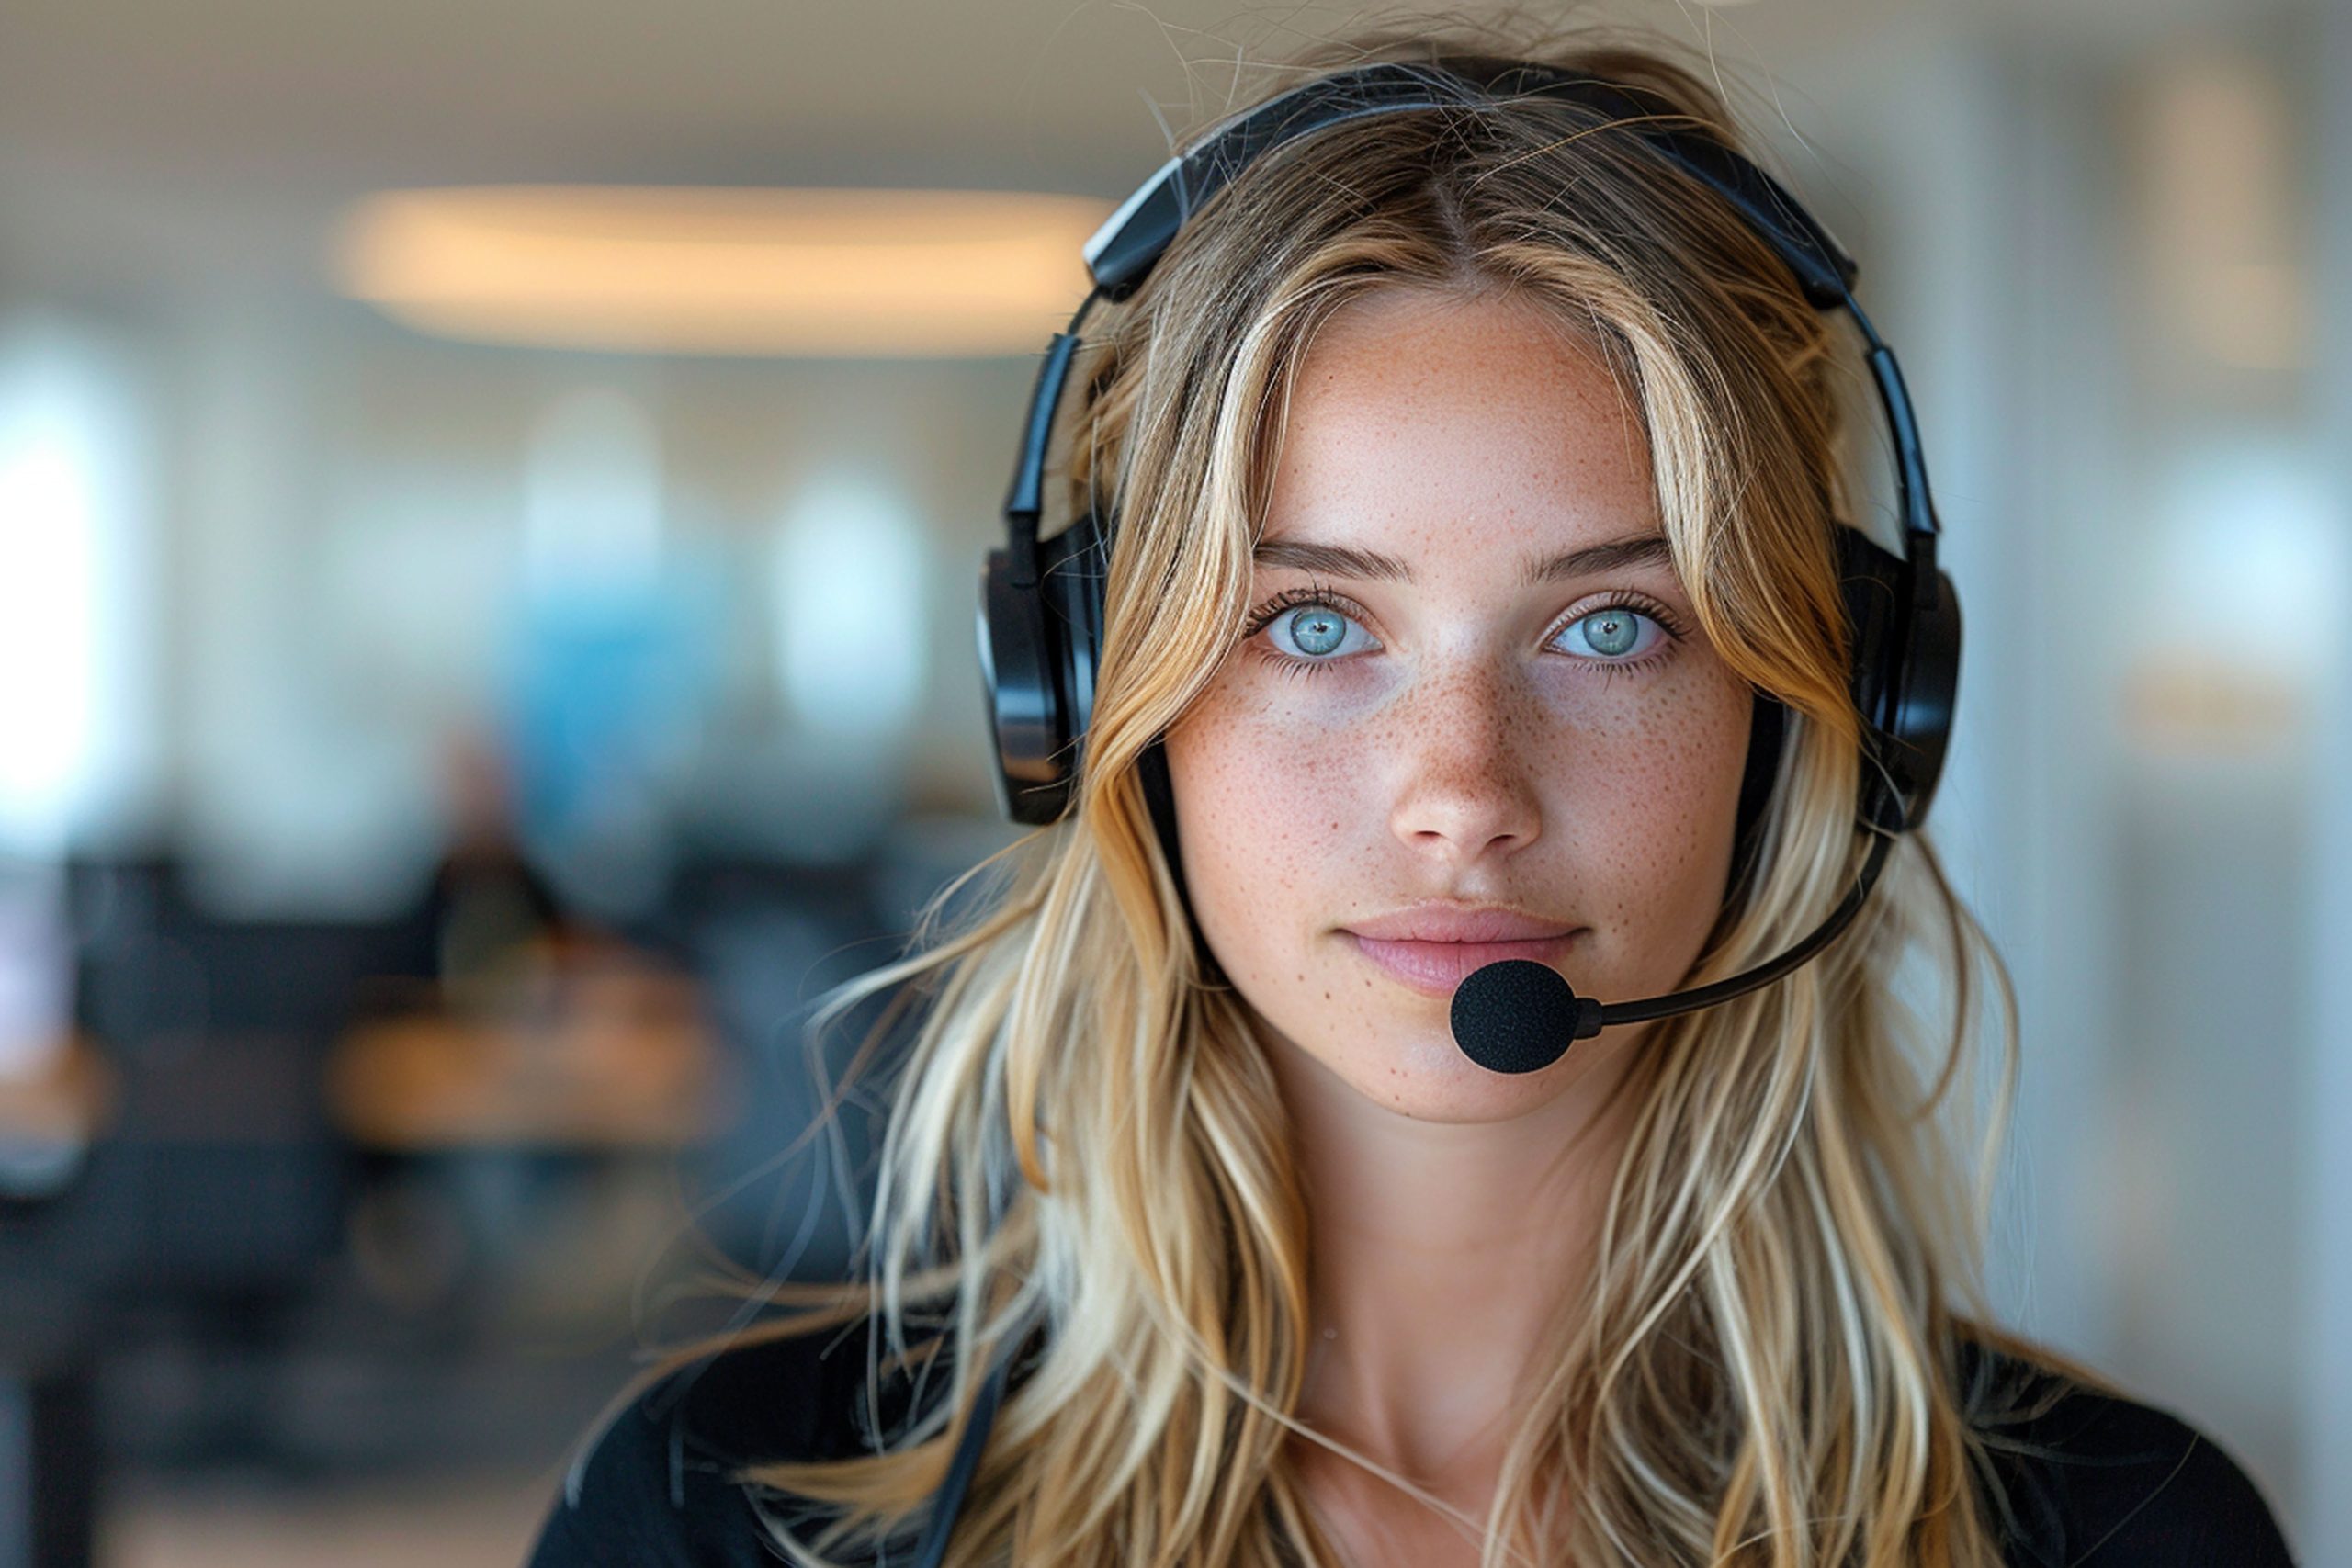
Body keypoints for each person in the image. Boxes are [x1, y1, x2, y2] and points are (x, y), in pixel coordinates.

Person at [526, 24, 2299, 1568]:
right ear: (1093, 707)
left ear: (1811, 710)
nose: (1463, 793)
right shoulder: (732, 1516)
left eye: (1611, 626)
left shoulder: (2120, 1535)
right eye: (1311, 623)